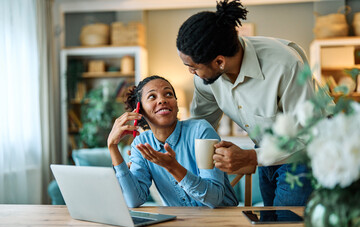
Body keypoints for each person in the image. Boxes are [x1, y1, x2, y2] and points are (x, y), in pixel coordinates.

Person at [176, 0, 317, 206]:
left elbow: (307, 135)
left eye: (192, 67)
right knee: (269, 225)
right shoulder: (206, 79)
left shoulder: (284, 65)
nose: (190, 72)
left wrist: (251, 158)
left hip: (302, 155)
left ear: (219, 62)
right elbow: (199, 126)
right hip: (264, 150)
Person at [107, 75, 238, 208]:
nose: (162, 100)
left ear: (176, 104)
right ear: (139, 110)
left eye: (168, 94)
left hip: (220, 220)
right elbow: (133, 200)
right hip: (178, 223)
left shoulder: (201, 131)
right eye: (152, 96)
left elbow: (214, 198)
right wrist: (113, 147)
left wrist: (173, 167)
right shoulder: (140, 144)